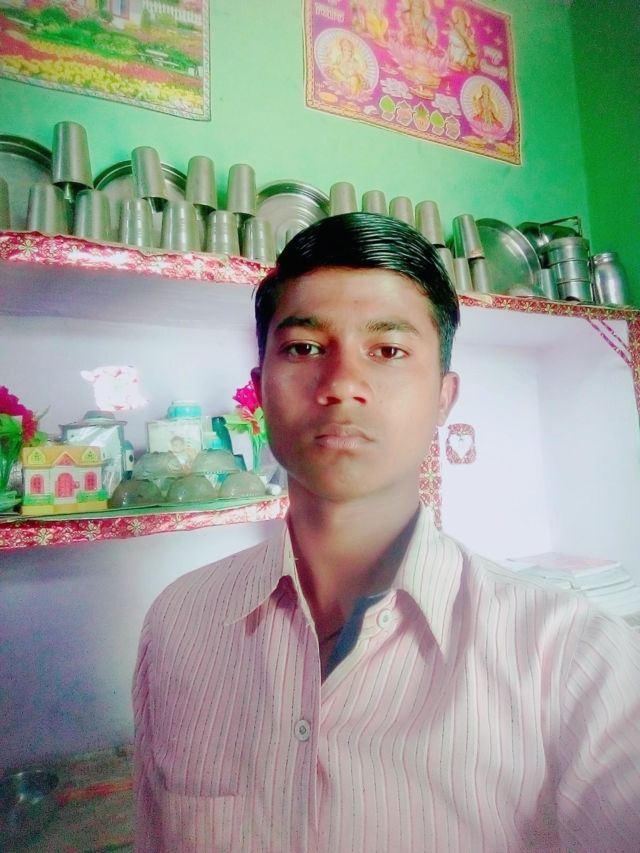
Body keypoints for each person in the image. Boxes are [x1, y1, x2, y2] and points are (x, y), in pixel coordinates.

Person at [133, 213, 640, 852]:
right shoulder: (178, 623)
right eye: (304, 348)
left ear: (444, 398)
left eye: (389, 351)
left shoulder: (573, 659)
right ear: (260, 391)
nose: (342, 385)